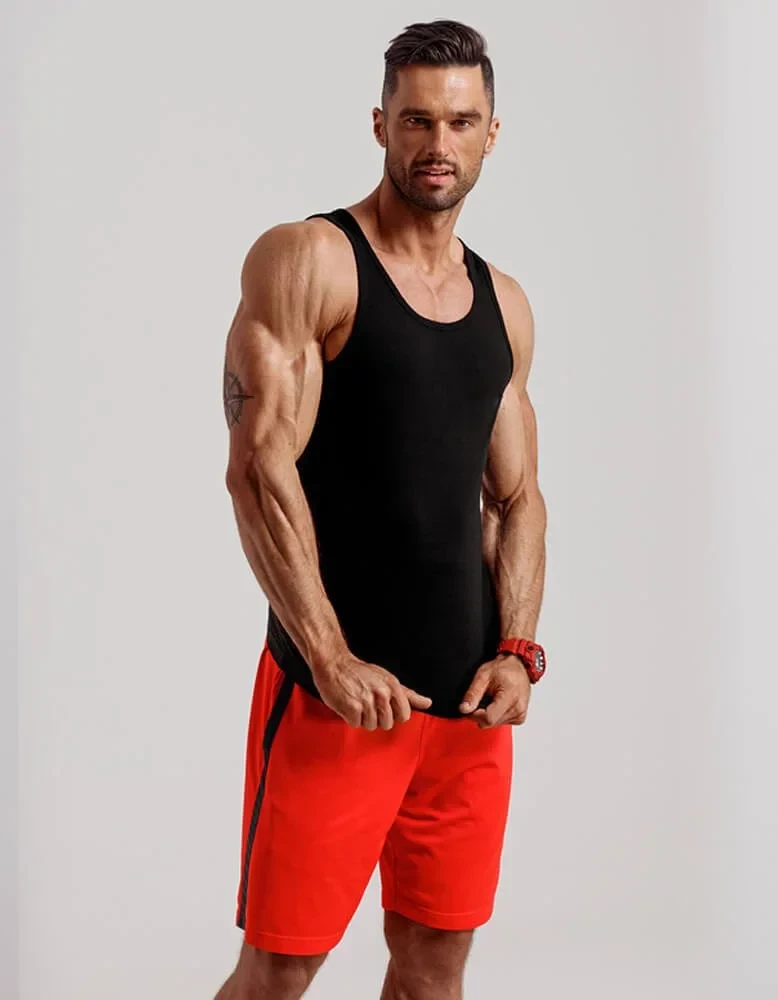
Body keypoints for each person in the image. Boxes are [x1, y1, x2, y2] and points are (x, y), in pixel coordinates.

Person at [215, 18, 548, 1000]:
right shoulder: (311, 260)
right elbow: (258, 470)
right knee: (280, 971)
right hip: (338, 702)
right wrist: (328, 656)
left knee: (435, 967)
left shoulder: (504, 303)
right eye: (416, 120)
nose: (438, 143)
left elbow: (516, 497)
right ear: (380, 124)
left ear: (491, 133)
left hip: (467, 709)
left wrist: (518, 649)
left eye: (460, 122)